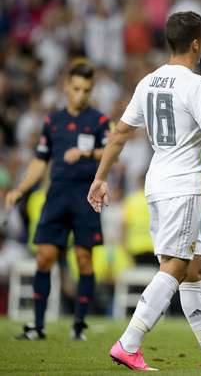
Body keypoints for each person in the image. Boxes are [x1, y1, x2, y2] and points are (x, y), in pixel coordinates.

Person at [87, 11, 201, 371]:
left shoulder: (148, 82)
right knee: (176, 264)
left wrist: (100, 177)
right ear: (197, 43)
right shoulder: (197, 84)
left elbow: (120, 132)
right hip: (182, 187)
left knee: (193, 269)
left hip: (156, 184)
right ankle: (129, 342)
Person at [6, 61, 110, 341]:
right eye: (76, 88)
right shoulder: (53, 121)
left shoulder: (99, 121)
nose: (80, 94)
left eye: (86, 90)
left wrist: (86, 154)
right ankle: (38, 326)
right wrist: (20, 190)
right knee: (44, 257)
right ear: (66, 87)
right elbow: (40, 162)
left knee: (84, 259)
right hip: (58, 193)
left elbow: (111, 152)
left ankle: (79, 325)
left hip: (86, 195)